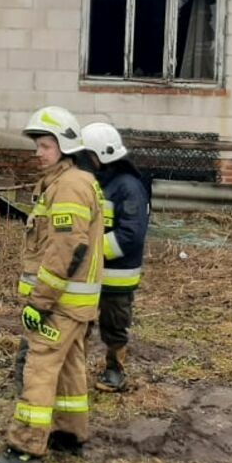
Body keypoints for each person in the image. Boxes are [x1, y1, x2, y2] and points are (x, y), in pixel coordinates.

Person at [0, 106, 103, 463]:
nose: (38, 152)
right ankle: (69, 434)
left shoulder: (69, 186)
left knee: (38, 369)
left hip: (59, 304)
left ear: (65, 146)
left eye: (46, 145)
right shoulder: (69, 182)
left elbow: (66, 249)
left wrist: (40, 301)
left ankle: (25, 449)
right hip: (74, 303)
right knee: (70, 367)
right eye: (38, 145)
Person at [81, 122, 151, 393]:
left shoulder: (128, 187)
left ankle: (115, 370)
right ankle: (74, 372)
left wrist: (91, 252)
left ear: (100, 155)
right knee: (80, 323)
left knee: (115, 325)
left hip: (117, 277)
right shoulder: (95, 183)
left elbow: (131, 234)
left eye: (86, 156)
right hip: (89, 274)